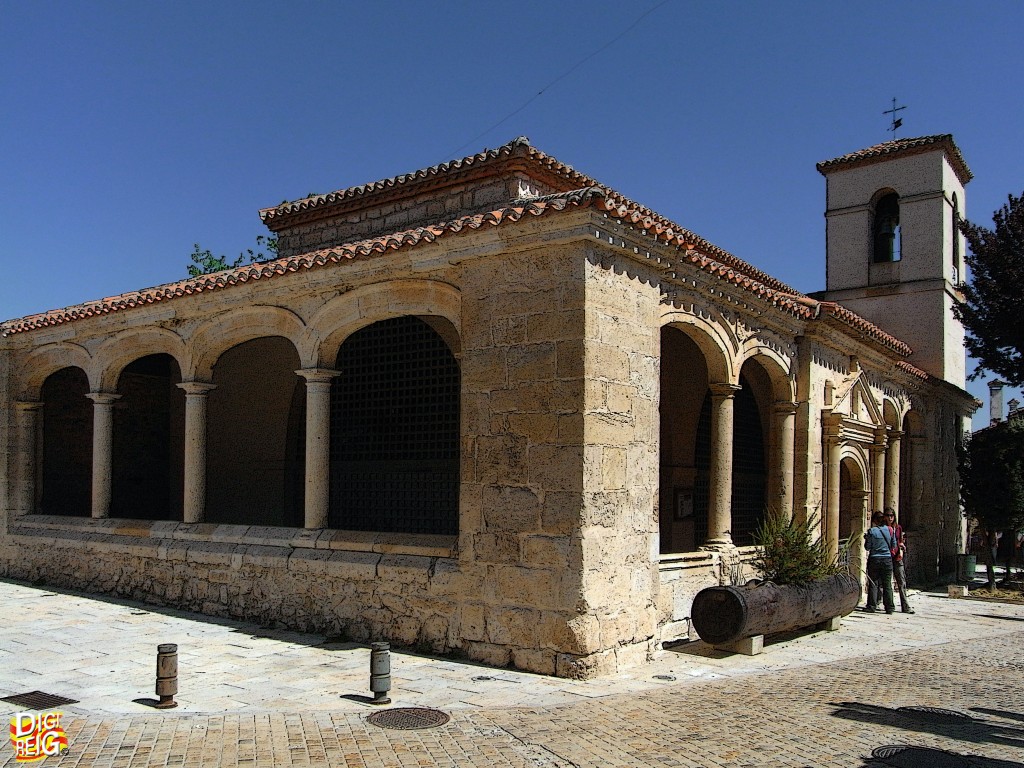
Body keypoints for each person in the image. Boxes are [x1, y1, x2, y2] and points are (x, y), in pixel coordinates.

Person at [863, 510, 896, 614]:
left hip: (875, 559)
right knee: (887, 584)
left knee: (873, 583)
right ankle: (889, 607)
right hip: (887, 559)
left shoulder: (872, 531)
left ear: (874, 521)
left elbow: (867, 547)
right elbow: (893, 545)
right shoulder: (890, 530)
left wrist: (867, 539)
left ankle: (872, 606)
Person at [885, 508, 914, 614]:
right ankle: (887, 605)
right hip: (887, 557)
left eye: (891, 515)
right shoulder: (884, 529)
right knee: (886, 583)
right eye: (888, 515)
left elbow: (900, 541)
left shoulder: (898, 528)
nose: (890, 517)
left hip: (897, 557)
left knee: (901, 581)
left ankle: (905, 606)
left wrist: (901, 548)